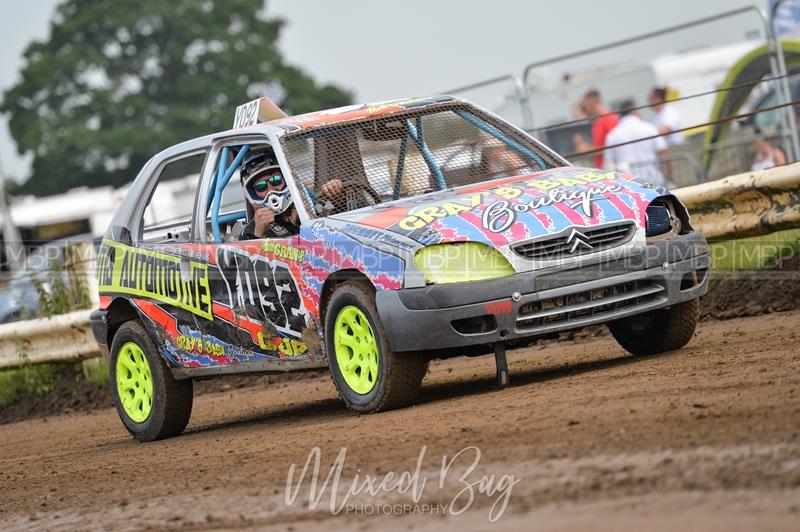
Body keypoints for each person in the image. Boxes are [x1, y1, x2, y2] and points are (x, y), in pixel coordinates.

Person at [239, 151, 343, 239]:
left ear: (286, 179)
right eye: (260, 186)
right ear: (253, 193)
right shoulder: (250, 231)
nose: (271, 190)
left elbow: (335, 210)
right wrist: (259, 234)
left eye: (276, 180)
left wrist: (335, 192)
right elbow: (250, 261)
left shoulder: (310, 207)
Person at [604, 99, 669, 187]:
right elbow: (663, 151)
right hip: (654, 180)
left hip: (629, 185)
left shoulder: (612, 135)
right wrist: (670, 178)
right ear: (636, 111)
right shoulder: (649, 128)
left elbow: (609, 165)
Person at [572, 89, 619, 168]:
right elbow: (600, 146)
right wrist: (585, 147)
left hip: (611, 168)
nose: (585, 108)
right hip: (604, 168)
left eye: (585, 105)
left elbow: (614, 148)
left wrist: (587, 149)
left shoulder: (610, 119)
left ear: (591, 104)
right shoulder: (598, 121)